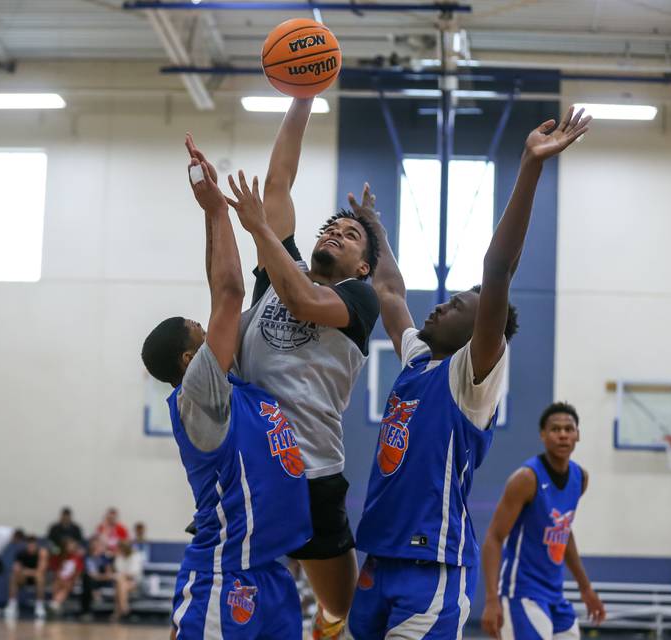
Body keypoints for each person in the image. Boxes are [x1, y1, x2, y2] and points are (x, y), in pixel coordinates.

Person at [346, 107, 592, 639]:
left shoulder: (471, 379)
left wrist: (529, 164)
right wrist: (374, 229)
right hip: (375, 562)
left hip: (429, 572)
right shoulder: (416, 359)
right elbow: (388, 290)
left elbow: (497, 268)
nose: (439, 307)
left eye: (456, 305)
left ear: (483, 329)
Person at [141, 135, 312, 639]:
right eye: (202, 327)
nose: (214, 323)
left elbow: (219, 288)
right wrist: (219, 209)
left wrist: (209, 212)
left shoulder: (236, 390)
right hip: (225, 572)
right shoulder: (198, 396)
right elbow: (231, 292)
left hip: (273, 573)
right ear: (190, 361)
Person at [228, 97, 380, 639]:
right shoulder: (280, 267)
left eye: (350, 234)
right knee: (238, 590)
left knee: (343, 609)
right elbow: (278, 183)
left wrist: (261, 234)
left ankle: (325, 621)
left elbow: (304, 304)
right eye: (329, 228)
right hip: (253, 461)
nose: (335, 232)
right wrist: (303, 97)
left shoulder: (361, 300)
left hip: (312, 468)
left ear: (362, 266)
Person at [481, 402, 606, 639]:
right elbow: (494, 538)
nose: (562, 435)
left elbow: (564, 532)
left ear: (577, 435)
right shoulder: (526, 479)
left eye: (569, 429)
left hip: (555, 594)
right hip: (521, 593)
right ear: (542, 435)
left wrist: (586, 588)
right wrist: (491, 599)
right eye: (555, 429)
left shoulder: (580, 478)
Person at [4, 535, 49, 619]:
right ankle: (12, 604)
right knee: (13, 577)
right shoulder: (21, 553)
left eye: (33, 544)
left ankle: (39, 606)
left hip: (36, 579)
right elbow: (16, 569)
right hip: (23, 578)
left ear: (36, 545)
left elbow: (41, 570)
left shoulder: (42, 553)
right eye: (29, 544)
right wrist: (26, 572)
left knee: (40, 577)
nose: (31, 546)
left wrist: (25, 571)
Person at [80, 537, 114, 619]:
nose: (96, 547)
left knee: (89, 581)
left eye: (98, 545)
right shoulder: (86, 557)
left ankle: (87, 609)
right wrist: (95, 576)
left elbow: (108, 574)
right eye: (94, 545)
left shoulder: (104, 558)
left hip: (101, 580)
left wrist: (98, 576)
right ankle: (86, 611)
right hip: (89, 581)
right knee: (87, 580)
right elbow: (87, 573)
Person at [49, 538, 84, 615]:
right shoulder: (58, 557)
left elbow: (78, 572)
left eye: (72, 546)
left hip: (70, 580)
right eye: (69, 546)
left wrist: (72, 579)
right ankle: (55, 604)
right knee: (57, 583)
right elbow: (56, 570)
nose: (71, 548)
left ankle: (54, 604)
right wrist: (60, 577)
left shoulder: (77, 558)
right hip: (60, 579)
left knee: (67, 585)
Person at [112, 541, 144, 620]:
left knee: (120, 585)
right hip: (123, 581)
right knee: (122, 585)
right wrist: (123, 575)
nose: (119, 551)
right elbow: (118, 571)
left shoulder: (136, 556)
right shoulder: (119, 557)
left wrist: (123, 575)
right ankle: (125, 610)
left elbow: (134, 573)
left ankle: (118, 612)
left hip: (135, 582)